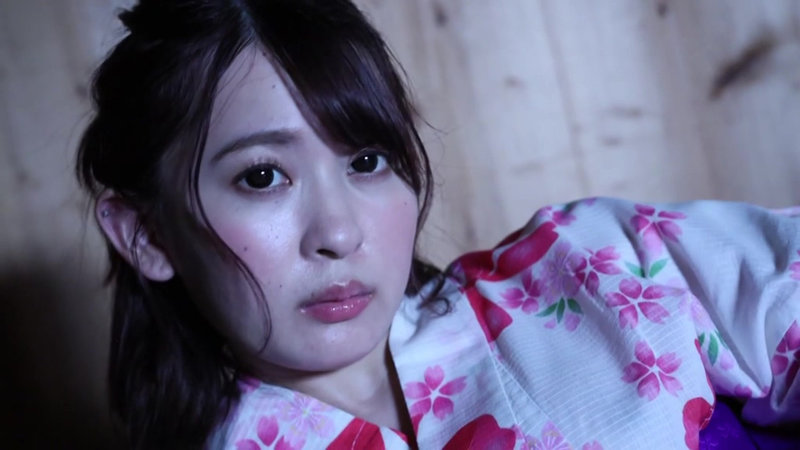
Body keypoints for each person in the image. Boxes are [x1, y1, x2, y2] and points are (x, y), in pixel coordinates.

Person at [76, 0, 800, 448]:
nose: (338, 232)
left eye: (366, 160)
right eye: (263, 176)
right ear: (147, 234)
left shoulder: (597, 264)